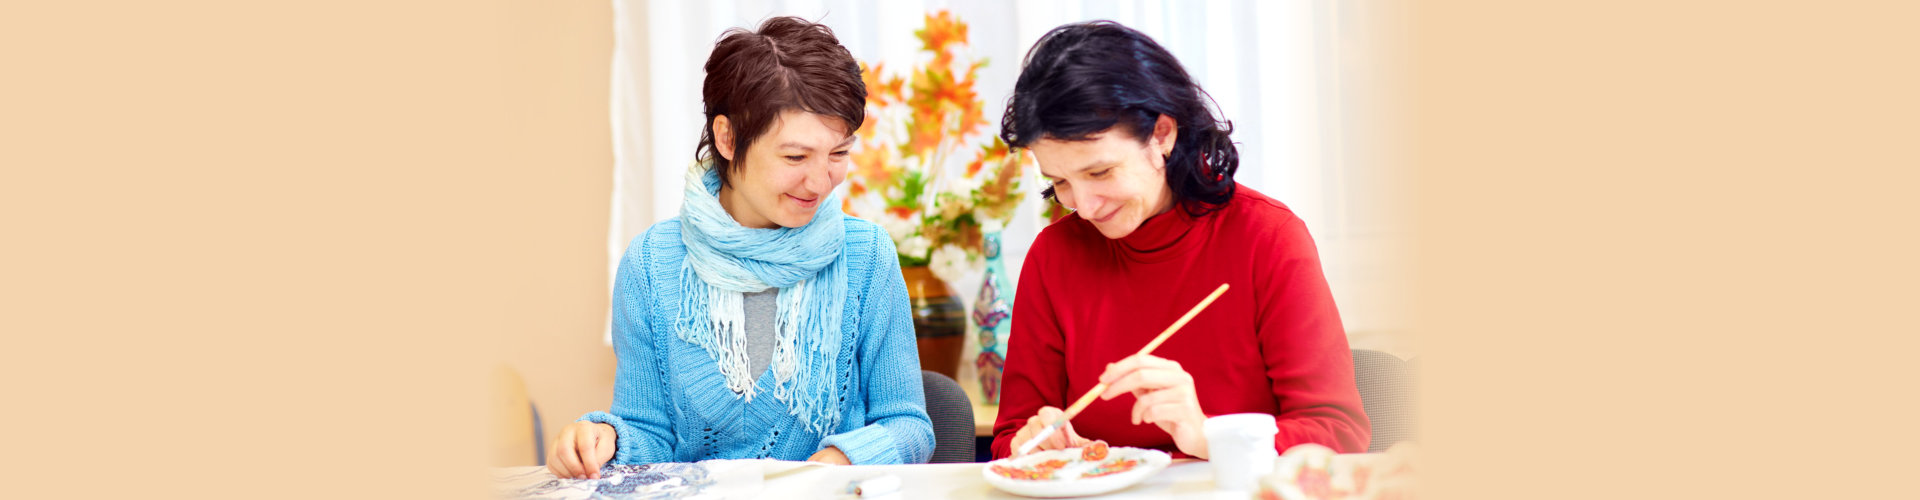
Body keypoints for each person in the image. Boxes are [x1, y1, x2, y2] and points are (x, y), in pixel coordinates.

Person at [548, 17, 933, 479]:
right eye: (795, 157)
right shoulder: (651, 264)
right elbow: (648, 434)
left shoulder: (866, 255)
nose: (820, 182)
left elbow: (909, 426)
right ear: (728, 138)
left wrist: (839, 463)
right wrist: (607, 439)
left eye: (838, 154)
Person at [991, 21, 1370, 460]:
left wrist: (1209, 436)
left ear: (1162, 135)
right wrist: (1032, 444)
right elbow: (1011, 439)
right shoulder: (1053, 256)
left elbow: (1337, 431)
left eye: (1100, 173)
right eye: (1060, 181)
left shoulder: (1266, 238)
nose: (1085, 206)